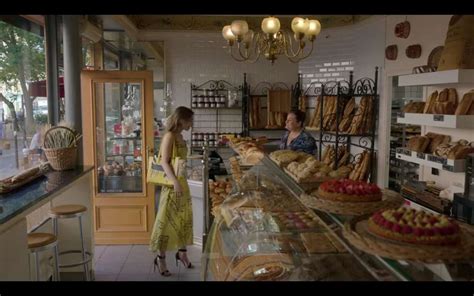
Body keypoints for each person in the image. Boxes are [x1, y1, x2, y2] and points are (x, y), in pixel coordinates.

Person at [149, 106, 194, 277]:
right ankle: (160, 258)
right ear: (181, 120)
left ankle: (182, 253)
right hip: (171, 184)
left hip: (182, 183)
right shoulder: (169, 136)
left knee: (183, 219)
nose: (191, 123)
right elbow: (164, 162)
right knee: (165, 221)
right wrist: (175, 182)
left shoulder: (181, 137)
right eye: (189, 119)